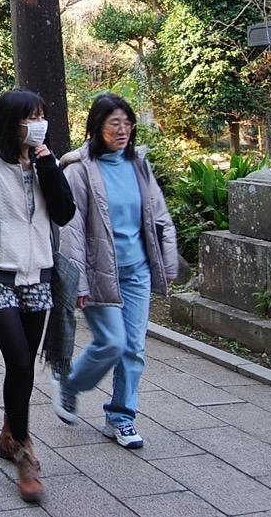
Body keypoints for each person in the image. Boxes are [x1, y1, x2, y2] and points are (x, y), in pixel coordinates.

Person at [0, 90, 75, 503]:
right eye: (29, 117)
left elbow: (64, 213)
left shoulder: (45, 163)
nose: (37, 122)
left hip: (38, 272)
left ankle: (9, 433)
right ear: (10, 122)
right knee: (19, 359)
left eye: (42, 115)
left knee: (22, 369)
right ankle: (24, 451)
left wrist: (46, 164)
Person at [50, 92, 178, 451]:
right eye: (113, 123)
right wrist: (78, 282)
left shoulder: (139, 164)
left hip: (136, 270)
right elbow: (71, 232)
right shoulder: (78, 170)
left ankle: (121, 417)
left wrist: (166, 264)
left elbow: (159, 216)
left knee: (134, 348)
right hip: (98, 271)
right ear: (97, 127)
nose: (122, 130)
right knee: (112, 343)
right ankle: (70, 384)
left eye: (127, 122)